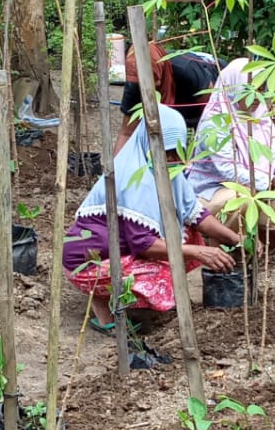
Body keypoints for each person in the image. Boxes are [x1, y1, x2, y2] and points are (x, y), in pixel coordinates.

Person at [65, 104, 245, 331]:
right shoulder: (133, 176)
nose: (171, 159)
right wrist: (198, 252)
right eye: (166, 152)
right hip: (88, 262)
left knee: (191, 237)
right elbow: (144, 244)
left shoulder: (172, 171)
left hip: (119, 250)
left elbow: (196, 215)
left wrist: (236, 238)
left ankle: (116, 296)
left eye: (176, 153)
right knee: (162, 273)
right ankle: (105, 305)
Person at [188, 58, 275, 234]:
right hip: (211, 193)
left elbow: (274, 162)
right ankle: (226, 249)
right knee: (243, 199)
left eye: (260, 89)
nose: (255, 96)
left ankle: (261, 251)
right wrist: (273, 182)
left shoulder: (261, 118)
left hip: (260, 191)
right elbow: (228, 171)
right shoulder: (215, 122)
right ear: (233, 87)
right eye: (248, 89)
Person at [114, 42, 220, 154]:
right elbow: (127, 133)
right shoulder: (135, 84)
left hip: (209, 94)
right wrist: (115, 168)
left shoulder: (186, 70)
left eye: (156, 79)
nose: (157, 84)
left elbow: (210, 118)